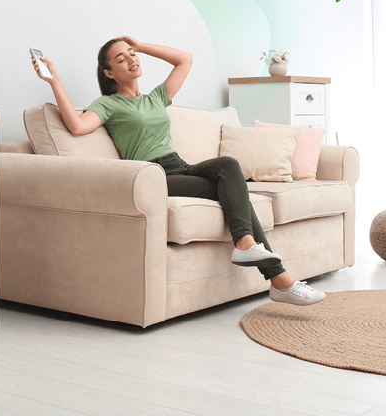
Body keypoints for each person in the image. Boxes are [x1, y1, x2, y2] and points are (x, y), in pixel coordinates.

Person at [31, 36, 325, 306]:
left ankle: (252, 250)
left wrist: (140, 45)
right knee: (236, 195)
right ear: (108, 73)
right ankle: (278, 277)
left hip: (179, 164)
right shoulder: (108, 104)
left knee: (229, 166)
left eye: (132, 54)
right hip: (154, 174)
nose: (131, 59)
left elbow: (185, 59)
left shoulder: (155, 97)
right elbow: (77, 126)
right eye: (121, 59)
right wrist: (55, 81)